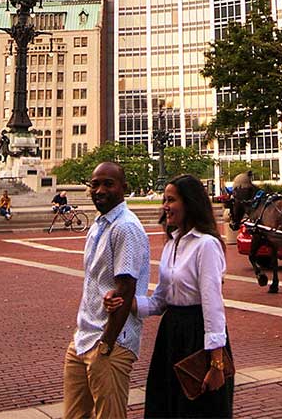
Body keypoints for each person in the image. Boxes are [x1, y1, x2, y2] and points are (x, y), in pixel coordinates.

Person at [106, 174, 232, 417]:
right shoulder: (171, 244)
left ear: (189, 203)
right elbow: (160, 301)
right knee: (166, 404)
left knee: (198, 408)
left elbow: (212, 304)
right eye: (164, 199)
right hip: (171, 333)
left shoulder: (206, 244)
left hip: (198, 334)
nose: (165, 206)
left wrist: (216, 362)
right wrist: (126, 303)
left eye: (171, 200)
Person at [64, 162, 148, 419]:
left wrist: (106, 345)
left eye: (108, 184)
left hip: (110, 341)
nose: (99, 190)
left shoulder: (125, 227)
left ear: (124, 188)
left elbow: (126, 289)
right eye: (95, 183)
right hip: (84, 338)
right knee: (75, 415)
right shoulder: (100, 224)